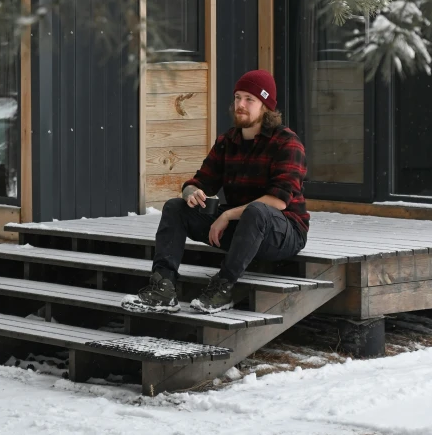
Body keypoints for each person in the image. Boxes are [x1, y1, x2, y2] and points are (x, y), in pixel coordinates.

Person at [122, 69, 309, 314]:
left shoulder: (287, 143)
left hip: (284, 232)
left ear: (266, 107)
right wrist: (191, 192)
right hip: (243, 229)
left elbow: (278, 201)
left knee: (257, 210)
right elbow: (200, 181)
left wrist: (227, 215)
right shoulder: (227, 141)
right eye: (237, 97)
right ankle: (163, 288)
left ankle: (223, 288)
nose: (240, 105)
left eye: (249, 99)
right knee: (175, 207)